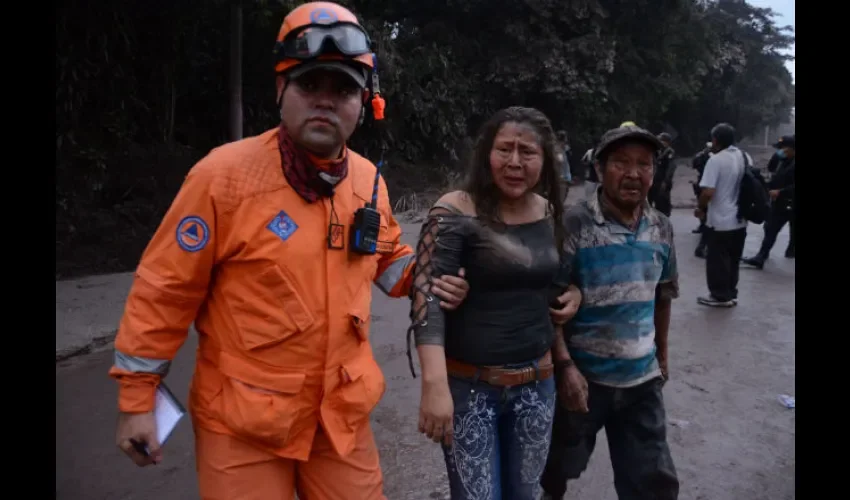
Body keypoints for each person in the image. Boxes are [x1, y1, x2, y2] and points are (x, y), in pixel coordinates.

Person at [109, 3, 473, 499]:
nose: (325, 102)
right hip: (243, 428)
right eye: (309, 85)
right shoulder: (222, 178)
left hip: (339, 420)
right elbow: (164, 291)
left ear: (365, 103)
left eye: (343, 89)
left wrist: (437, 273)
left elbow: (387, 261)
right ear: (281, 90)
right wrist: (136, 400)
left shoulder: (368, 181)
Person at [407, 106, 584, 500]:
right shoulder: (453, 209)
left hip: (538, 385)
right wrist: (434, 386)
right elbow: (426, 297)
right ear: (487, 152)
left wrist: (575, 293)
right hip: (470, 389)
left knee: (525, 494)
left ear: (546, 160)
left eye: (528, 152)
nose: (515, 162)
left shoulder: (550, 212)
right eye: (505, 149)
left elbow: (554, 280)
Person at [540, 124, 680, 500]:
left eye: (644, 164)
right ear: (600, 169)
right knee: (552, 472)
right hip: (584, 380)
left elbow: (662, 296)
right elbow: (550, 300)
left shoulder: (662, 228)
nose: (634, 173)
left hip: (642, 381)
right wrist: (565, 367)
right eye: (621, 162)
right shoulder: (574, 223)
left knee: (653, 484)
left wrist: (662, 355)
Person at [695, 123, 747, 307]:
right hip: (740, 219)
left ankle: (719, 296)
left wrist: (700, 208)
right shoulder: (744, 156)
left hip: (720, 220)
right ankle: (731, 293)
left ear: (715, 140)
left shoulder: (716, 160)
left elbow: (708, 191)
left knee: (717, 260)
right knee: (733, 259)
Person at [741, 135, 796, 268]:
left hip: (791, 202)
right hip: (781, 203)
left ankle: (790, 250)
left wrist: (781, 191)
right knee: (770, 228)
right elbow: (775, 176)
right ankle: (761, 257)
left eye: (783, 148)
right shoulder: (782, 161)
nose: (780, 151)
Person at [648, 132, 676, 216]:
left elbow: (671, 168)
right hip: (653, 181)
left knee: (663, 204)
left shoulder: (669, 152)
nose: (660, 142)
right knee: (649, 202)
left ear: (667, 142)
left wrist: (666, 181)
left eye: (662, 140)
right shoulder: (656, 151)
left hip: (662, 181)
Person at [555, 130, 573, 202]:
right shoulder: (556, 149)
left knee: (566, 191)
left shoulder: (565, 148)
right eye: (565, 138)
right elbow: (559, 161)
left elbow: (568, 158)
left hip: (566, 173)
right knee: (561, 195)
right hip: (560, 176)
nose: (566, 140)